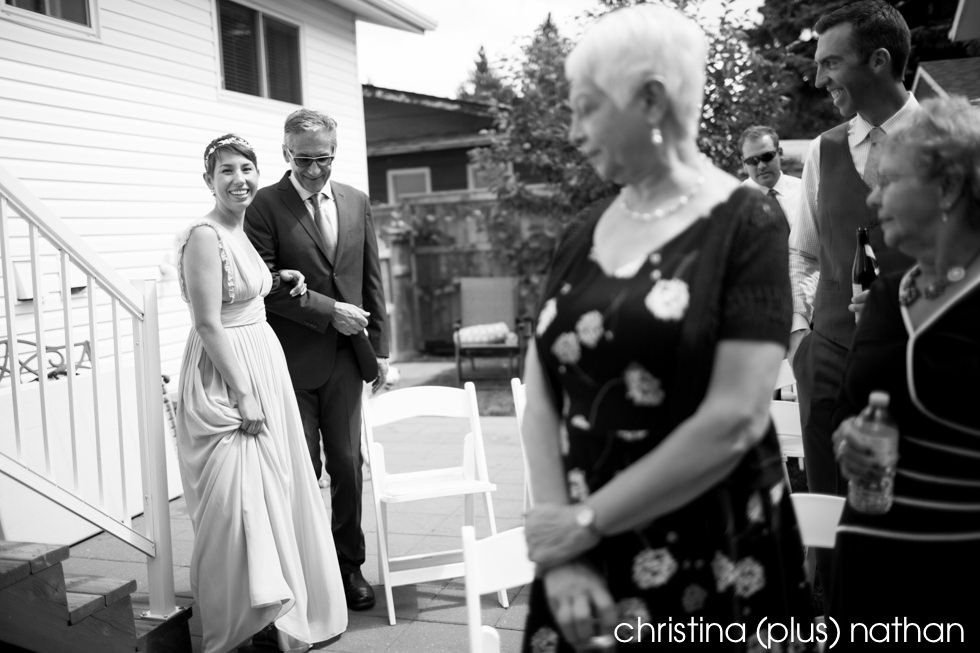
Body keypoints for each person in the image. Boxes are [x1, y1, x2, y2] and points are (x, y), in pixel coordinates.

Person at [519, 6, 814, 651]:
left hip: (708, 555)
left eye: (586, 108)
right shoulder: (581, 234)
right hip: (580, 556)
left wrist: (586, 523)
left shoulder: (747, 224)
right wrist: (560, 545)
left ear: (651, 100)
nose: (573, 132)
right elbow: (539, 388)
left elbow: (734, 417)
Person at [174, 134, 347, 653]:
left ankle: (272, 613)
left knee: (273, 493)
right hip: (229, 375)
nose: (239, 179)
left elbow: (240, 288)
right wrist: (243, 394)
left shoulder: (238, 228)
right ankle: (240, 623)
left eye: (246, 168)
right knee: (237, 501)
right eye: (225, 171)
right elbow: (208, 322)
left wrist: (279, 278)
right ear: (209, 180)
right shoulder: (204, 234)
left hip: (261, 364)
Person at [830, 96, 980, 650]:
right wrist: (849, 438)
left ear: (946, 189)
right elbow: (846, 411)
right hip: (865, 579)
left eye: (889, 181)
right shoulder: (890, 294)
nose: (872, 198)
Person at [787, 0, 917, 607]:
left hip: (922, 365)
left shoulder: (953, 144)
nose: (819, 79)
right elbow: (805, 253)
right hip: (833, 359)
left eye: (831, 62)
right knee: (828, 516)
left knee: (911, 512)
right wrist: (801, 335)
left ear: (880, 61)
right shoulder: (823, 150)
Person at [245, 109, 389, 612]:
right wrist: (331, 312)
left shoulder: (356, 201)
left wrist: (383, 347)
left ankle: (349, 565)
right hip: (290, 361)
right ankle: (308, 570)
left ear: (334, 153)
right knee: (304, 469)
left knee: (349, 466)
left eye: (322, 160)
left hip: (350, 359)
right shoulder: (263, 205)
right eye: (303, 160)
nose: (313, 170)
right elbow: (262, 287)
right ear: (286, 153)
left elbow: (372, 277)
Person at [739, 125, 802, 233]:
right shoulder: (735, 203)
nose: (761, 166)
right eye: (752, 161)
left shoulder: (804, 192)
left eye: (767, 156)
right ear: (743, 163)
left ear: (780, 153)